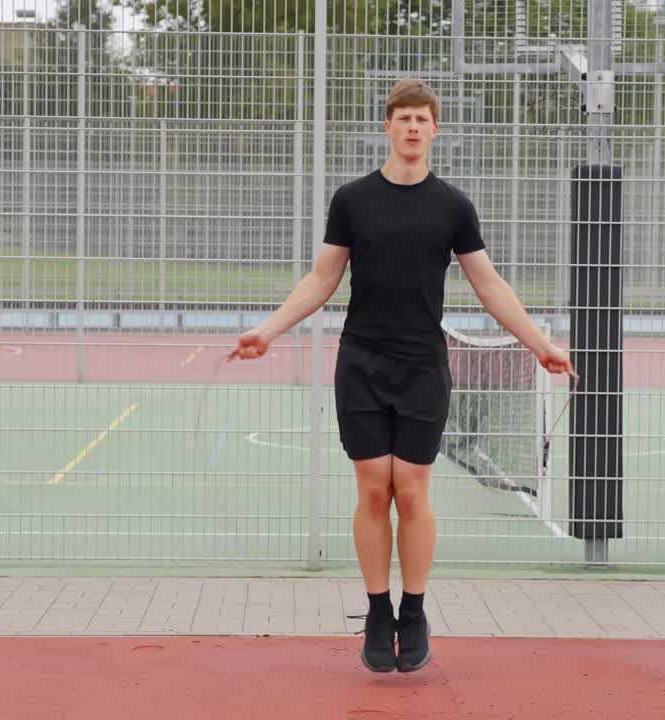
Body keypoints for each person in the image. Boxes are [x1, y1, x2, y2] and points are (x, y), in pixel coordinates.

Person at [230, 80, 574, 673]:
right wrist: (269, 329)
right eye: (403, 118)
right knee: (371, 489)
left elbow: (489, 285)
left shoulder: (453, 207)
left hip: (422, 366)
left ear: (434, 129)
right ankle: (376, 609)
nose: (413, 127)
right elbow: (322, 278)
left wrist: (539, 344)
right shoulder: (353, 200)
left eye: (422, 119)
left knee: (411, 491)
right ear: (388, 126)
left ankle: (413, 609)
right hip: (361, 361)